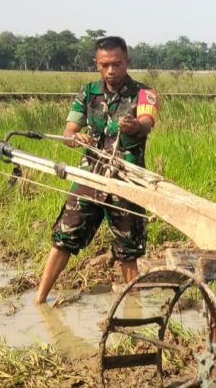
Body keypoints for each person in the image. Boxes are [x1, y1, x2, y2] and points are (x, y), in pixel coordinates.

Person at [34, 36, 159, 305]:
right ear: (96, 64)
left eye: (117, 64)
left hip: (126, 179)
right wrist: (76, 139)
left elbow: (147, 122)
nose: (111, 71)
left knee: (128, 250)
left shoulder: (144, 94)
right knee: (64, 238)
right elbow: (69, 132)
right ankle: (39, 300)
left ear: (127, 62)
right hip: (89, 175)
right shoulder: (87, 92)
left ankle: (133, 309)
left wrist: (134, 127)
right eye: (105, 65)